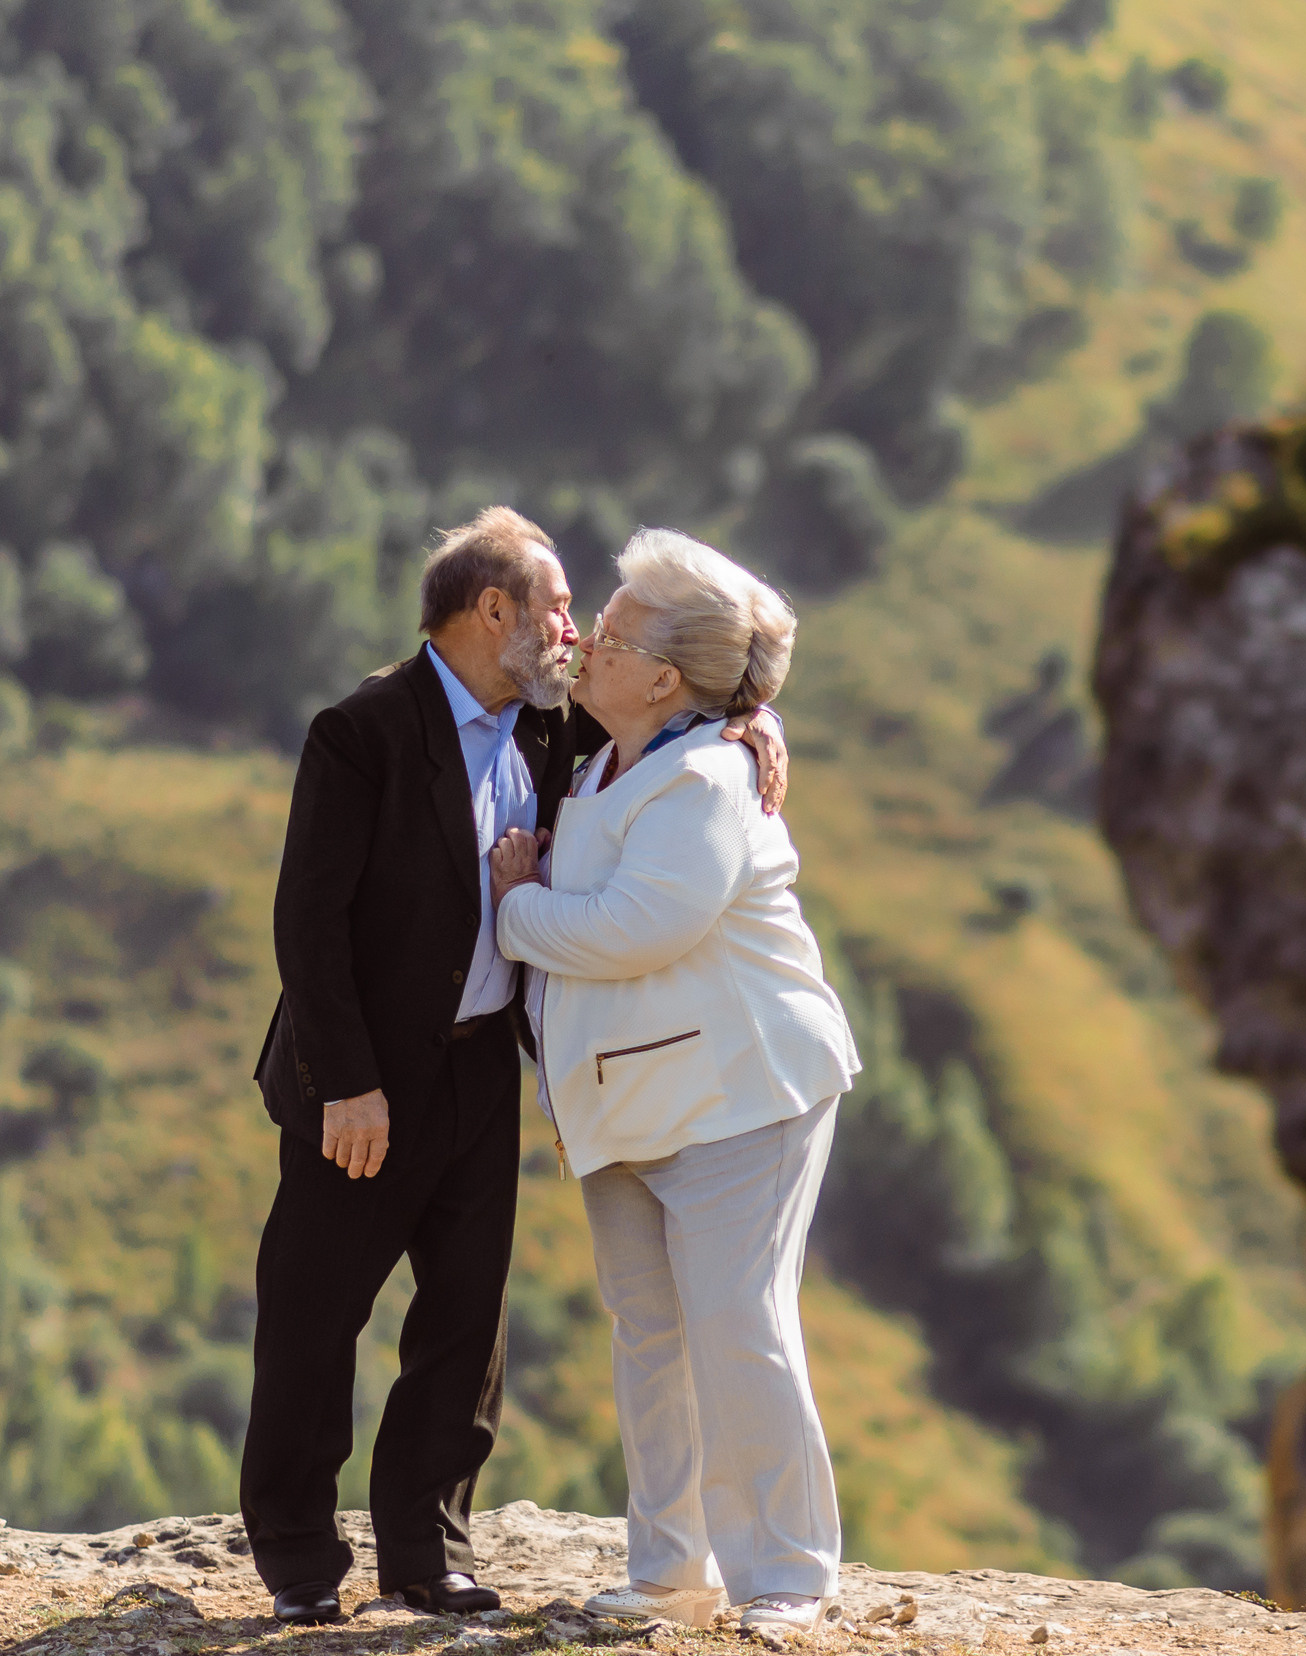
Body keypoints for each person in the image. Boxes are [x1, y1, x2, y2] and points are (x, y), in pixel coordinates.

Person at [243, 508, 787, 1627]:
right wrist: (347, 1082)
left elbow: (667, 718)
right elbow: (308, 924)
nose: (574, 634)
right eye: (556, 608)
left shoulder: (549, 728)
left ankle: (426, 1554)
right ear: (493, 610)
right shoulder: (362, 731)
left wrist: (753, 716)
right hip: (364, 1086)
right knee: (313, 1319)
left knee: (463, 1327)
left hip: (479, 1074)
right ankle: (299, 1559)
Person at [487, 528, 859, 1634]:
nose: (589, 636)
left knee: (737, 1323)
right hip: (626, 1105)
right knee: (649, 1333)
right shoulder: (608, 750)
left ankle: (786, 1573)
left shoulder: (705, 773)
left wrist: (515, 905)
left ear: (664, 676)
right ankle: (668, 1568)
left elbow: (641, 927)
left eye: (618, 627)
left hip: (742, 1093)